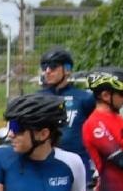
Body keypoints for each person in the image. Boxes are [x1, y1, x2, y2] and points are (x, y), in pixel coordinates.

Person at [39, 47, 95, 182]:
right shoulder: (37, 98)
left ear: (67, 69)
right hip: (45, 164)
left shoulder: (84, 98)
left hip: (77, 164)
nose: (47, 71)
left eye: (53, 66)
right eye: (44, 66)